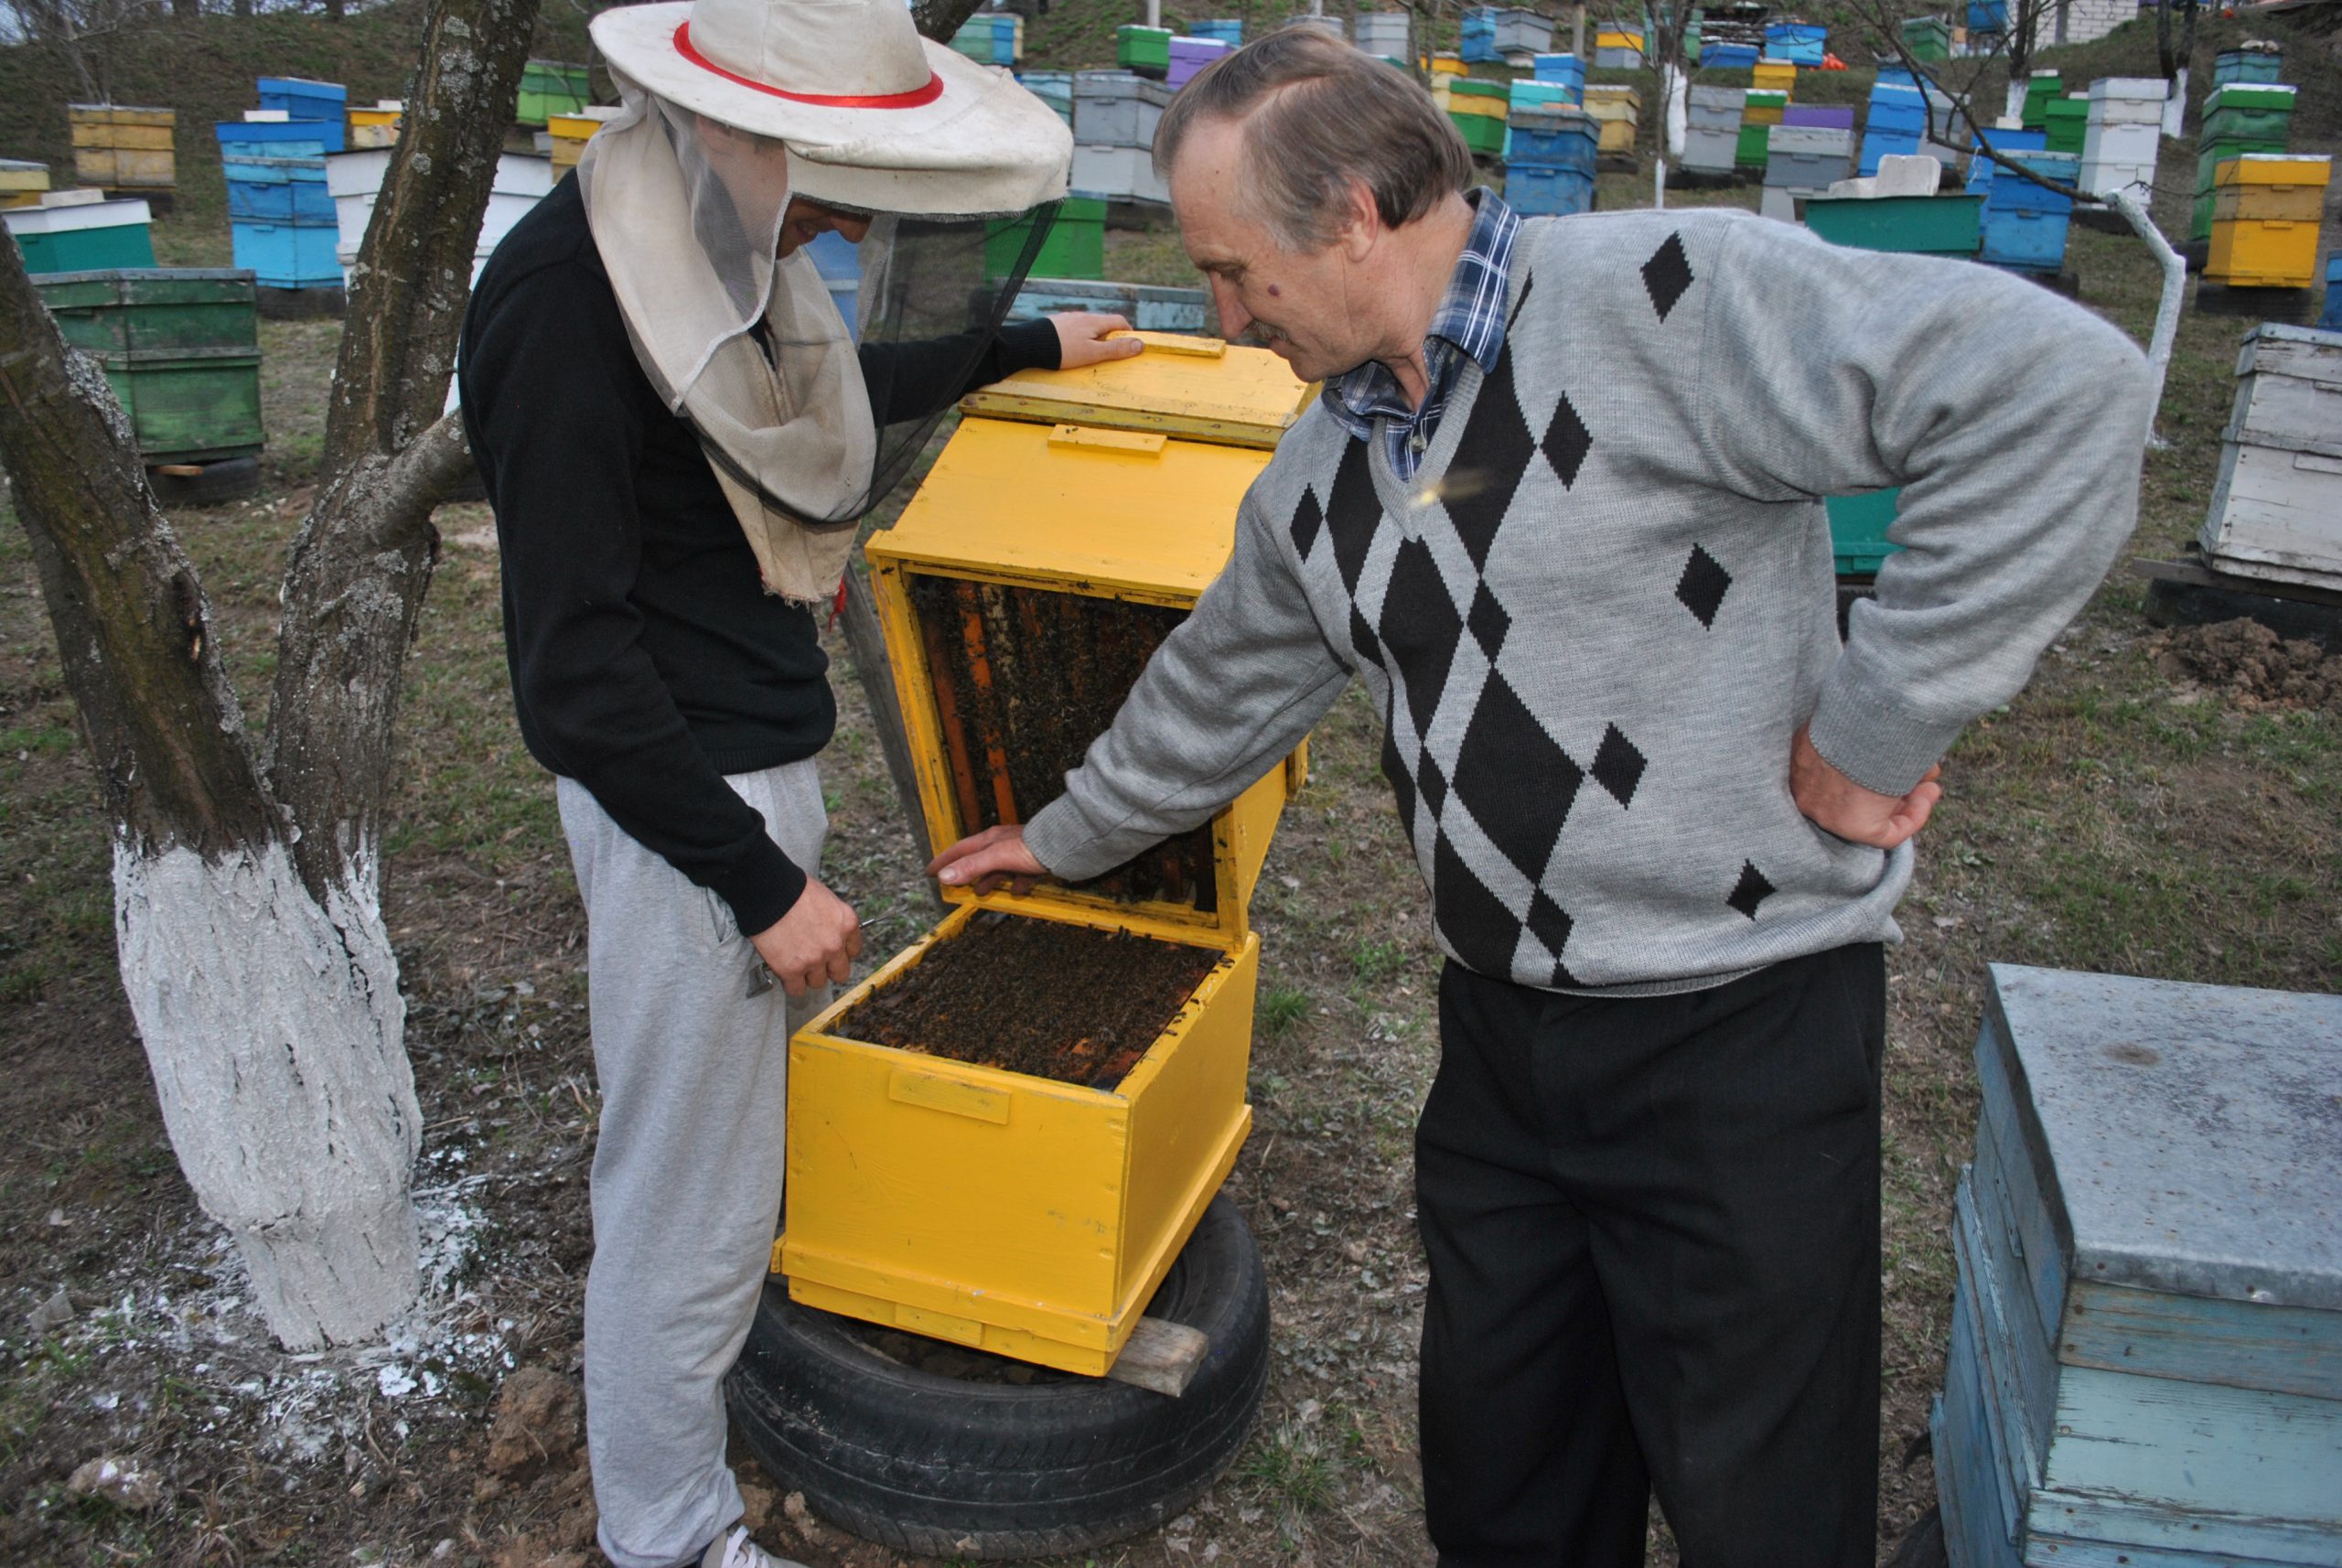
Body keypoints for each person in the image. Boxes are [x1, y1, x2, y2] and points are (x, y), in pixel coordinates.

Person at [928, 31, 2153, 1568]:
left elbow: (2065, 391)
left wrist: (1877, 722)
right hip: (1500, 1054)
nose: (1230, 319)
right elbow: (1217, 687)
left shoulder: (1673, 298)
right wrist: (1064, 835)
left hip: (1742, 1036)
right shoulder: (1318, 475)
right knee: (1507, 1498)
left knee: (1764, 1515)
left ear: (1360, 211)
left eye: (1239, 274)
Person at [455, 1, 1138, 1563]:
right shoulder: (566, 304)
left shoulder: (689, 247)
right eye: (822, 170)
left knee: (709, 1169)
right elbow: (572, 675)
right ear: (719, 124)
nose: (838, 211)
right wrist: (758, 883)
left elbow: (807, 396)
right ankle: (672, 1533)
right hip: (686, 811)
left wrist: (1029, 342)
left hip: (736, 785)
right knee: (686, 1209)